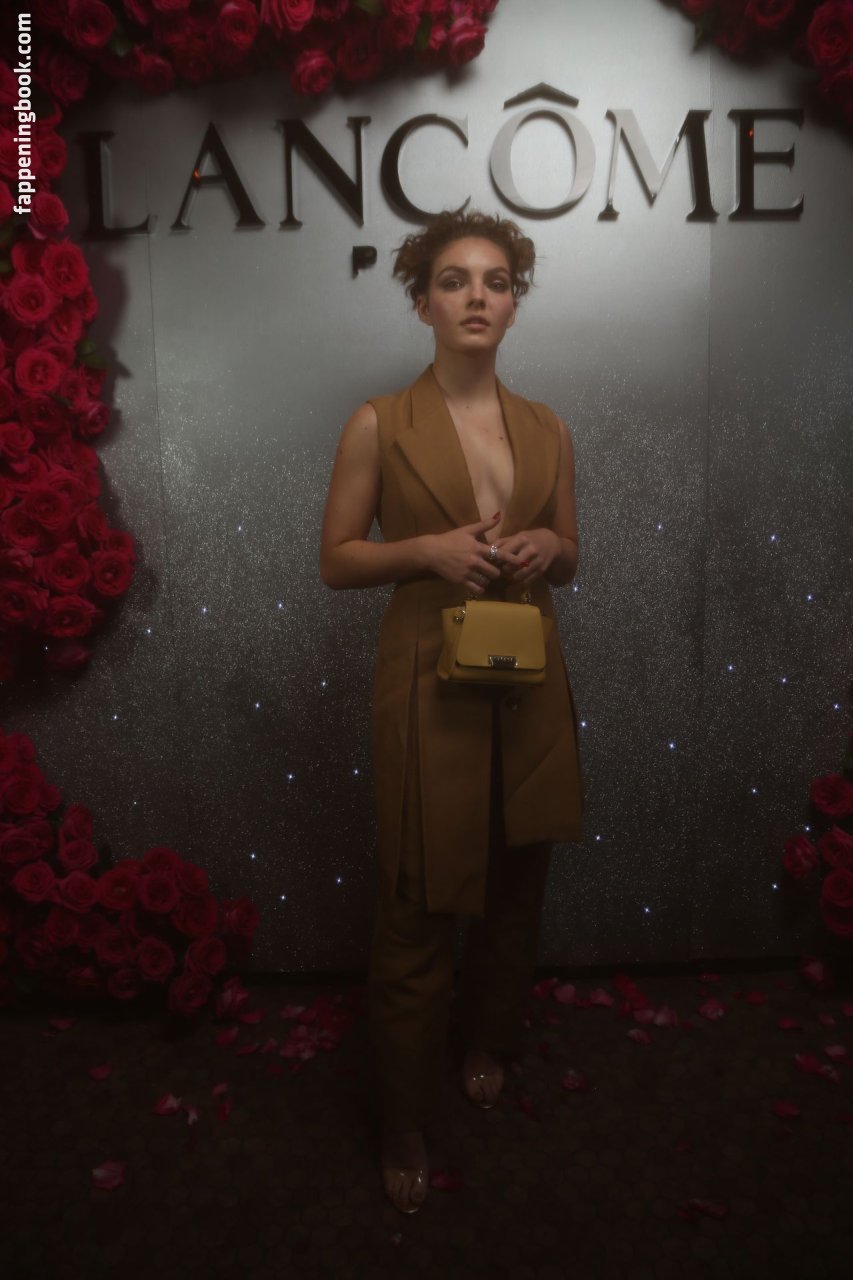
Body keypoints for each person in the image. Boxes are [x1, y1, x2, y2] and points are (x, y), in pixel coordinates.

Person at [319, 209, 584, 1215]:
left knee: (518, 880)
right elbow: (336, 559)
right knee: (419, 899)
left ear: (514, 304)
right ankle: (401, 1118)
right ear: (421, 301)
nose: (477, 295)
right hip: (427, 677)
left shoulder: (548, 426)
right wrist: (425, 551)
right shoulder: (378, 422)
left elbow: (571, 551)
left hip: (529, 675)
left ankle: (490, 1040)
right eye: (454, 279)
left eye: (497, 281)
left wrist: (550, 549)